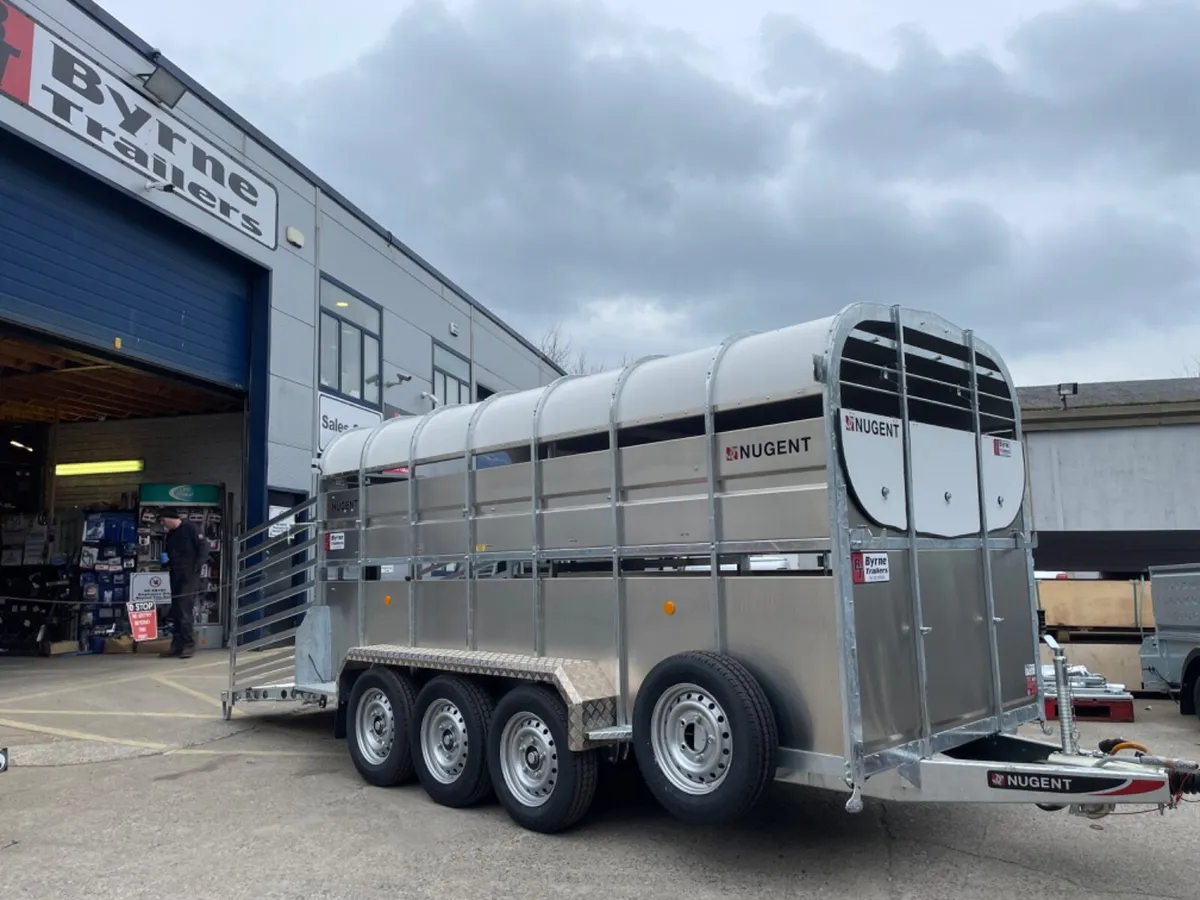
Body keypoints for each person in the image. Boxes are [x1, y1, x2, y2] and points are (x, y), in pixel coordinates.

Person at [158, 508, 209, 659]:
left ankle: (188, 644)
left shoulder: (191, 528)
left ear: (170, 518)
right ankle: (177, 645)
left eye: (163, 521)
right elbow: (168, 553)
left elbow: (203, 548)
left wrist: (197, 567)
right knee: (175, 610)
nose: (163, 524)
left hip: (189, 576)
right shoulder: (171, 535)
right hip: (175, 574)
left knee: (184, 609)